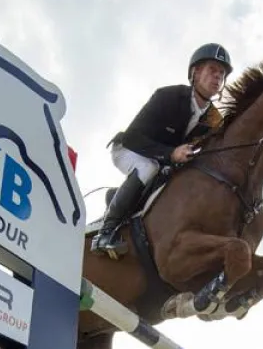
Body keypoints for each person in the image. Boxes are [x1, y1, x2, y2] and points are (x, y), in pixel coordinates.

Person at [91, 43, 233, 258]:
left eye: (222, 73)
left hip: (163, 163)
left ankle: (118, 198)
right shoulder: (168, 96)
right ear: (195, 72)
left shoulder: (214, 120)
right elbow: (133, 137)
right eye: (212, 70)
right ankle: (105, 233)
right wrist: (170, 154)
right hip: (130, 149)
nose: (218, 77)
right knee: (148, 167)